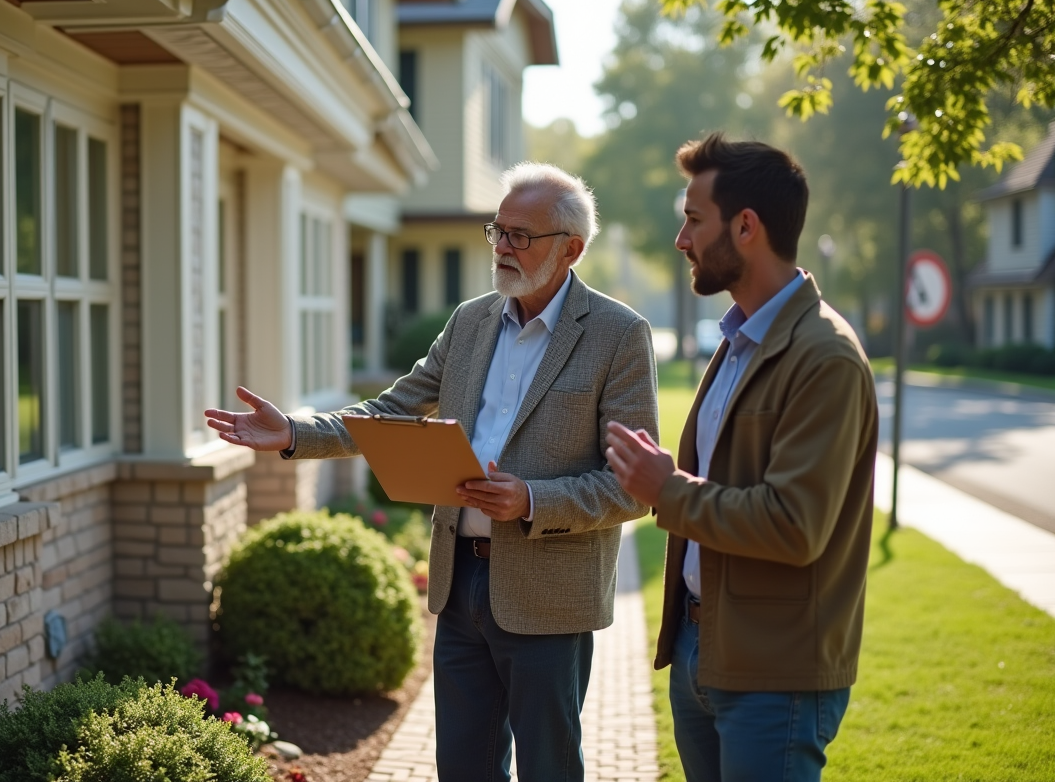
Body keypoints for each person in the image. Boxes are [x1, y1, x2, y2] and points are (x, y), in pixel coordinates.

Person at [205, 162, 658, 782]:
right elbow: (390, 411)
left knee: (550, 769)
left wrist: (530, 499)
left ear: (571, 249)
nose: (502, 246)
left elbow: (632, 485)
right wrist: (294, 433)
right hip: (459, 582)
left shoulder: (618, 334)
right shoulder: (470, 321)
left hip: (549, 597)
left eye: (520, 235)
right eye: (497, 230)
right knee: (463, 768)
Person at [604, 133, 878, 782]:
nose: (681, 240)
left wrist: (667, 489)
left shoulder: (826, 357)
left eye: (694, 220)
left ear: (746, 227)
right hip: (702, 650)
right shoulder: (736, 340)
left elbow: (794, 524)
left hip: (775, 673)